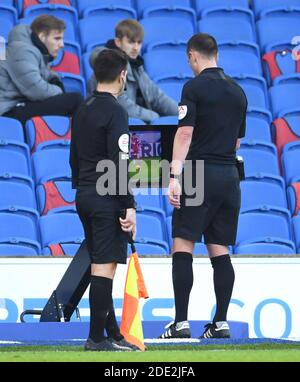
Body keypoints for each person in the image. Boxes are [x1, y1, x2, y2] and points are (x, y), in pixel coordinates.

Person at [159, 33, 248, 340]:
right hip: (228, 174)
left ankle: (181, 322)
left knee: (183, 243)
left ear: (192, 57)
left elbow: (184, 134)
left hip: (199, 171)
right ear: (217, 55)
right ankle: (221, 322)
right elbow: (237, 140)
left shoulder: (193, 87)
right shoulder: (238, 92)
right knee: (219, 249)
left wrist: (174, 176)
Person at [70, 49, 138, 352]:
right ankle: (96, 338)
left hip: (84, 194)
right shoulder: (116, 111)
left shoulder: (82, 108)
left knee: (102, 263)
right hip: (105, 196)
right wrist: (129, 205)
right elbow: (119, 162)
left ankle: (111, 334)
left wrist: (83, 186)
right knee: (104, 266)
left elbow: (73, 157)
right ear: (122, 75)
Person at [88, 19, 178, 124]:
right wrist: (154, 117)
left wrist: (184, 113)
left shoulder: (136, 65)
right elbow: (120, 104)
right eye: (131, 42)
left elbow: (157, 96)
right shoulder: (109, 67)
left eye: (139, 43)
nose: (136, 48)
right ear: (118, 42)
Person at [0, 14, 82, 125]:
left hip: (19, 105)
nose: (62, 44)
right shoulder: (23, 51)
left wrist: (54, 80)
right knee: (74, 100)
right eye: (57, 38)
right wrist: (58, 90)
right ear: (42, 37)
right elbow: (37, 91)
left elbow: (46, 75)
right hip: (8, 111)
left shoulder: (33, 49)